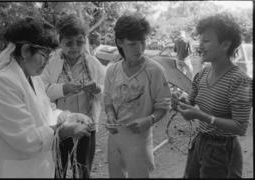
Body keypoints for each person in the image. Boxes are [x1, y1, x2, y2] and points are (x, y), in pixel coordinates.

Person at [0, 17, 92, 178]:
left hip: (37, 167)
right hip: (13, 171)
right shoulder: (1, 82)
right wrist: (63, 131)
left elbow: (47, 111)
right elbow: (25, 139)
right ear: (25, 51)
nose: (46, 62)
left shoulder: (33, 77)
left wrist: (68, 116)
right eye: (44, 55)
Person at [175, 13, 253, 178]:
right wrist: (181, 102)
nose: (199, 45)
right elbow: (191, 103)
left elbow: (240, 127)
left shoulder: (240, 81)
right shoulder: (203, 73)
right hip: (199, 142)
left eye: (206, 41)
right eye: (200, 40)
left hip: (222, 149)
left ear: (225, 45)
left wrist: (202, 116)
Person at [103, 12, 171, 178]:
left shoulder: (154, 71)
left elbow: (163, 106)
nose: (139, 49)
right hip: (115, 140)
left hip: (140, 142)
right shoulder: (112, 70)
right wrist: (110, 116)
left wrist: (149, 120)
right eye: (132, 44)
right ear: (119, 42)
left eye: (143, 42)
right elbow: (108, 101)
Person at [40, 14, 106, 178]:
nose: (75, 47)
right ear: (60, 41)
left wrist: (97, 88)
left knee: (82, 170)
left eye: (80, 42)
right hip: (59, 126)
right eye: (69, 43)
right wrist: (64, 88)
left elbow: (108, 91)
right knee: (57, 169)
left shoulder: (93, 64)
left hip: (86, 127)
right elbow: (41, 91)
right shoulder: (51, 62)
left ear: (85, 40)